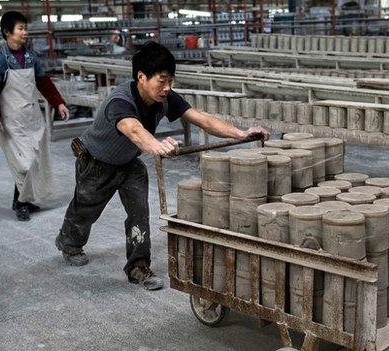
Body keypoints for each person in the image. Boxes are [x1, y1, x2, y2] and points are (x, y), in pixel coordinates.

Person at [54, 42, 269, 291]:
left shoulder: (165, 99)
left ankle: (138, 266)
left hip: (129, 163)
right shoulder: (119, 100)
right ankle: (68, 242)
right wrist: (155, 145)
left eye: (170, 82)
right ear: (141, 77)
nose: (167, 88)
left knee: (139, 213)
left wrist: (241, 133)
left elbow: (202, 120)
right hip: (96, 162)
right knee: (86, 209)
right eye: (162, 81)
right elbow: (132, 129)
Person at [0, 11, 70, 221]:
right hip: (11, 121)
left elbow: (44, 83)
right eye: (20, 29)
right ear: (7, 32)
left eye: (25, 28)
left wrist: (58, 103)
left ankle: (20, 199)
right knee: (24, 163)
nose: (25, 33)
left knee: (35, 162)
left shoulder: (31, 58)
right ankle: (21, 203)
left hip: (32, 117)